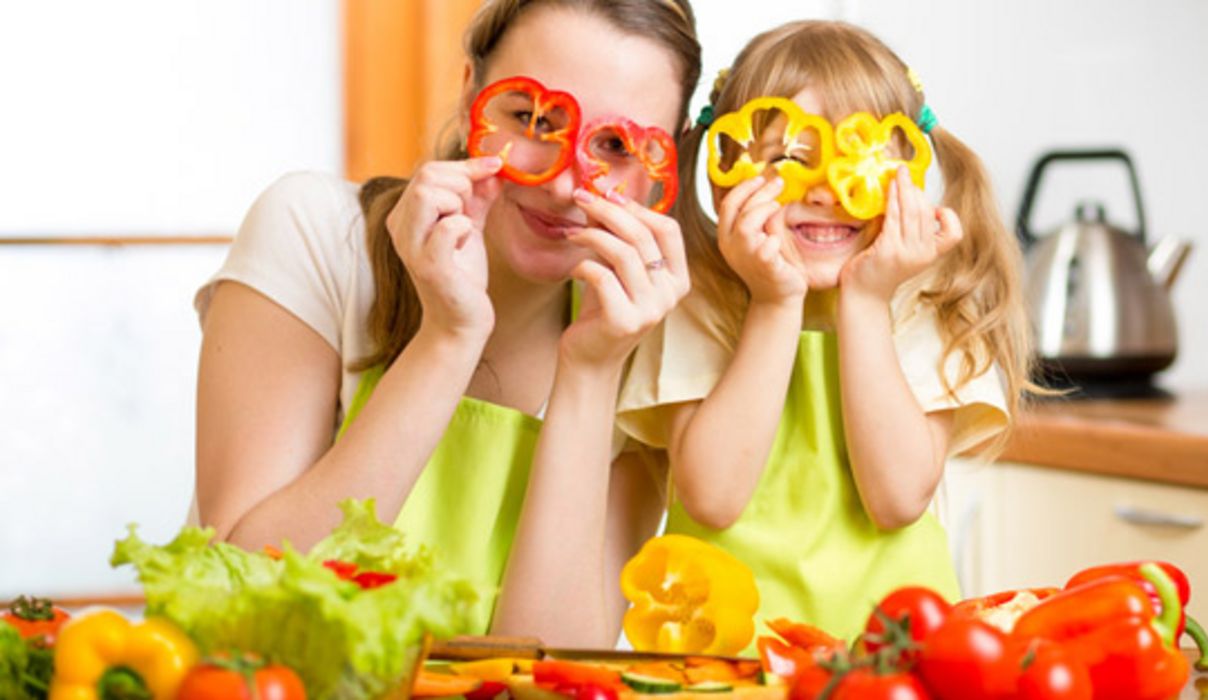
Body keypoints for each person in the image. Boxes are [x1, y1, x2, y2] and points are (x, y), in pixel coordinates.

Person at [192, 0, 701, 646]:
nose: (566, 184)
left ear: (669, 160)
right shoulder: (314, 232)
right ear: (471, 99)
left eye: (616, 146)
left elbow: (552, 674)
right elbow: (240, 602)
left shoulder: (644, 334)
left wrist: (590, 373)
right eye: (533, 118)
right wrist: (448, 339)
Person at [617, 19, 1037, 642]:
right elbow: (712, 496)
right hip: (724, 658)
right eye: (788, 158)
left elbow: (896, 500)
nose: (824, 192)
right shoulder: (694, 294)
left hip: (892, 659)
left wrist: (866, 302)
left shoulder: (926, 298)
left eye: (856, 158)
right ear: (726, 168)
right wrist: (774, 302)